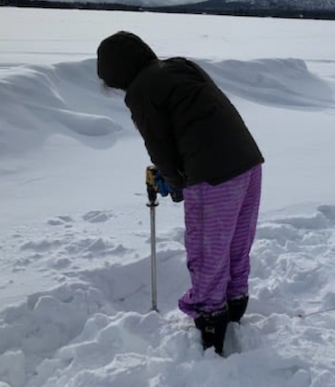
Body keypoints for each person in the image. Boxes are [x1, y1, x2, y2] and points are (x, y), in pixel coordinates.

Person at [96, 31, 264, 354]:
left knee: (207, 252)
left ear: (118, 76)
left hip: (214, 176)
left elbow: (160, 150)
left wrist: (176, 182)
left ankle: (212, 323)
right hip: (248, 162)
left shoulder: (141, 91)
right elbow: (197, 122)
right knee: (235, 245)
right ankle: (235, 303)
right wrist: (180, 176)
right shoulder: (179, 66)